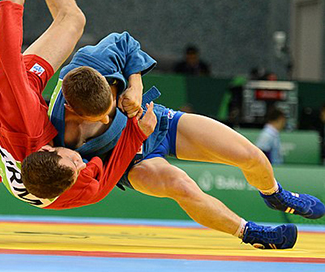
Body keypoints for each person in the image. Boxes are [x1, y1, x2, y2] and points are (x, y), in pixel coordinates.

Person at [41, 33, 325, 250]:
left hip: (161, 122)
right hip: (131, 161)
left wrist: (135, 86)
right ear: (73, 110)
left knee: (250, 155)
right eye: (100, 117)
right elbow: (89, 183)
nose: (108, 119)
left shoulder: (91, 62)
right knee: (181, 186)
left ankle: (274, 194)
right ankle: (251, 233)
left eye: (110, 108)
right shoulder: (53, 134)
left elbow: (126, 43)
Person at [0, 0, 156, 208]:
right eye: (77, 168)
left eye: (74, 161)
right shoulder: (77, 186)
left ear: (47, 148)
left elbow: (5, 56)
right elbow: (106, 181)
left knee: (72, 20)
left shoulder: (25, 121)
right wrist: (138, 134)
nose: (82, 164)